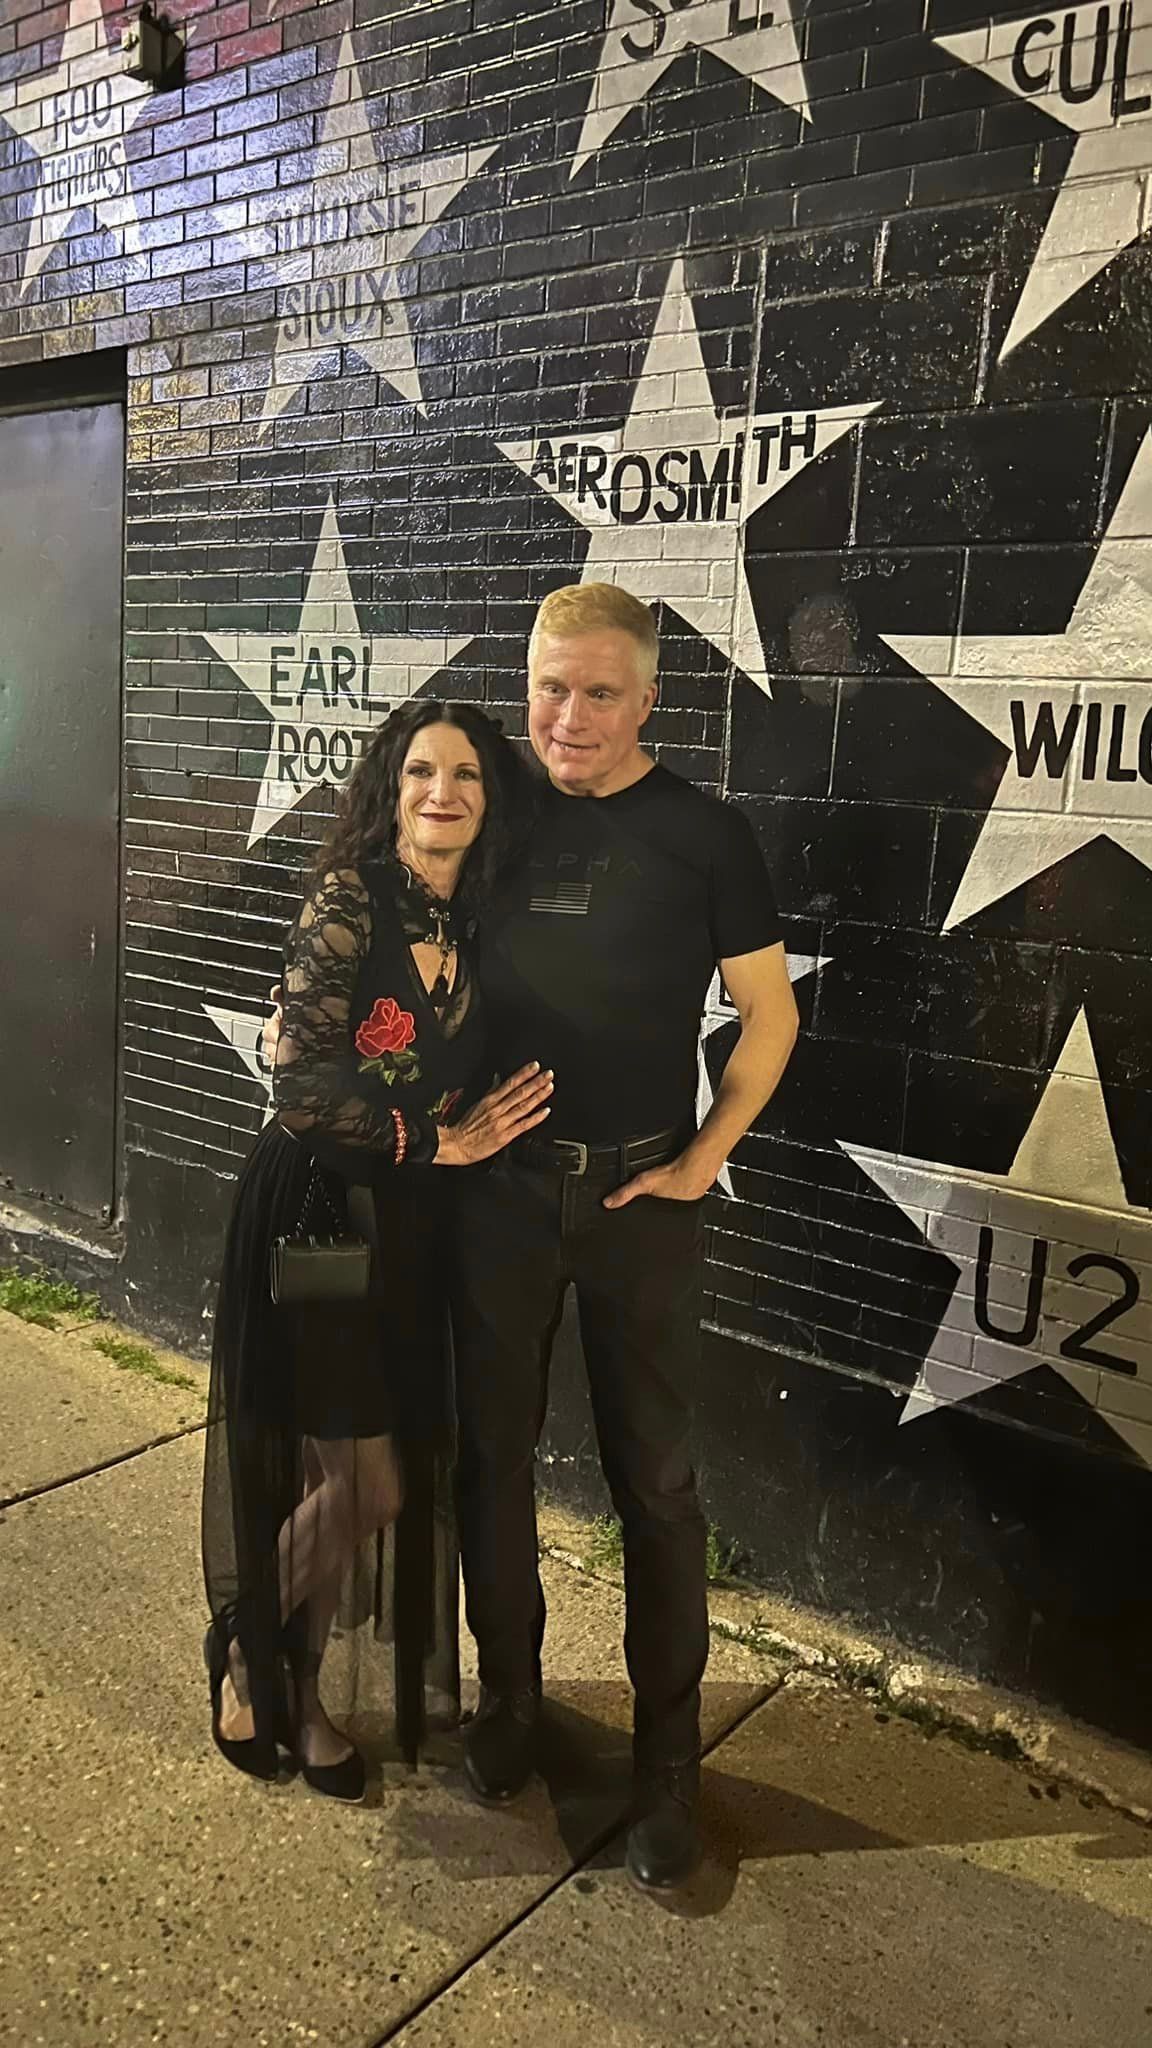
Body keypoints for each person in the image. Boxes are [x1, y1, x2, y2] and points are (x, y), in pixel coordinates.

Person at [451, 583, 798, 1892]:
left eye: (602, 692)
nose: (570, 717)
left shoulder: (705, 834)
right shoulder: (486, 815)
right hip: (498, 1200)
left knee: (654, 1485)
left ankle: (667, 1772)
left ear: (651, 700)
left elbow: (769, 1017)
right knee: (489, 1459)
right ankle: (510, 1707)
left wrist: (705, 1160)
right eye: (550, 686)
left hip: (640, 1200)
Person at [201, 701, 553, 1801]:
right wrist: (437, 1136)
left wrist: (463, 1126)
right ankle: (249, 1649)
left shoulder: (481, 923)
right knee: (366, 1481)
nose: (440, 791)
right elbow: (298, 1087)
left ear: (489, 801)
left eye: (464, 775)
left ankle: (295, 1692)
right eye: (418, 772)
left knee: (341, 1477)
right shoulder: (350, 902)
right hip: (316, 1212)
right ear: (388, 791)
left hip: (402, 1230)